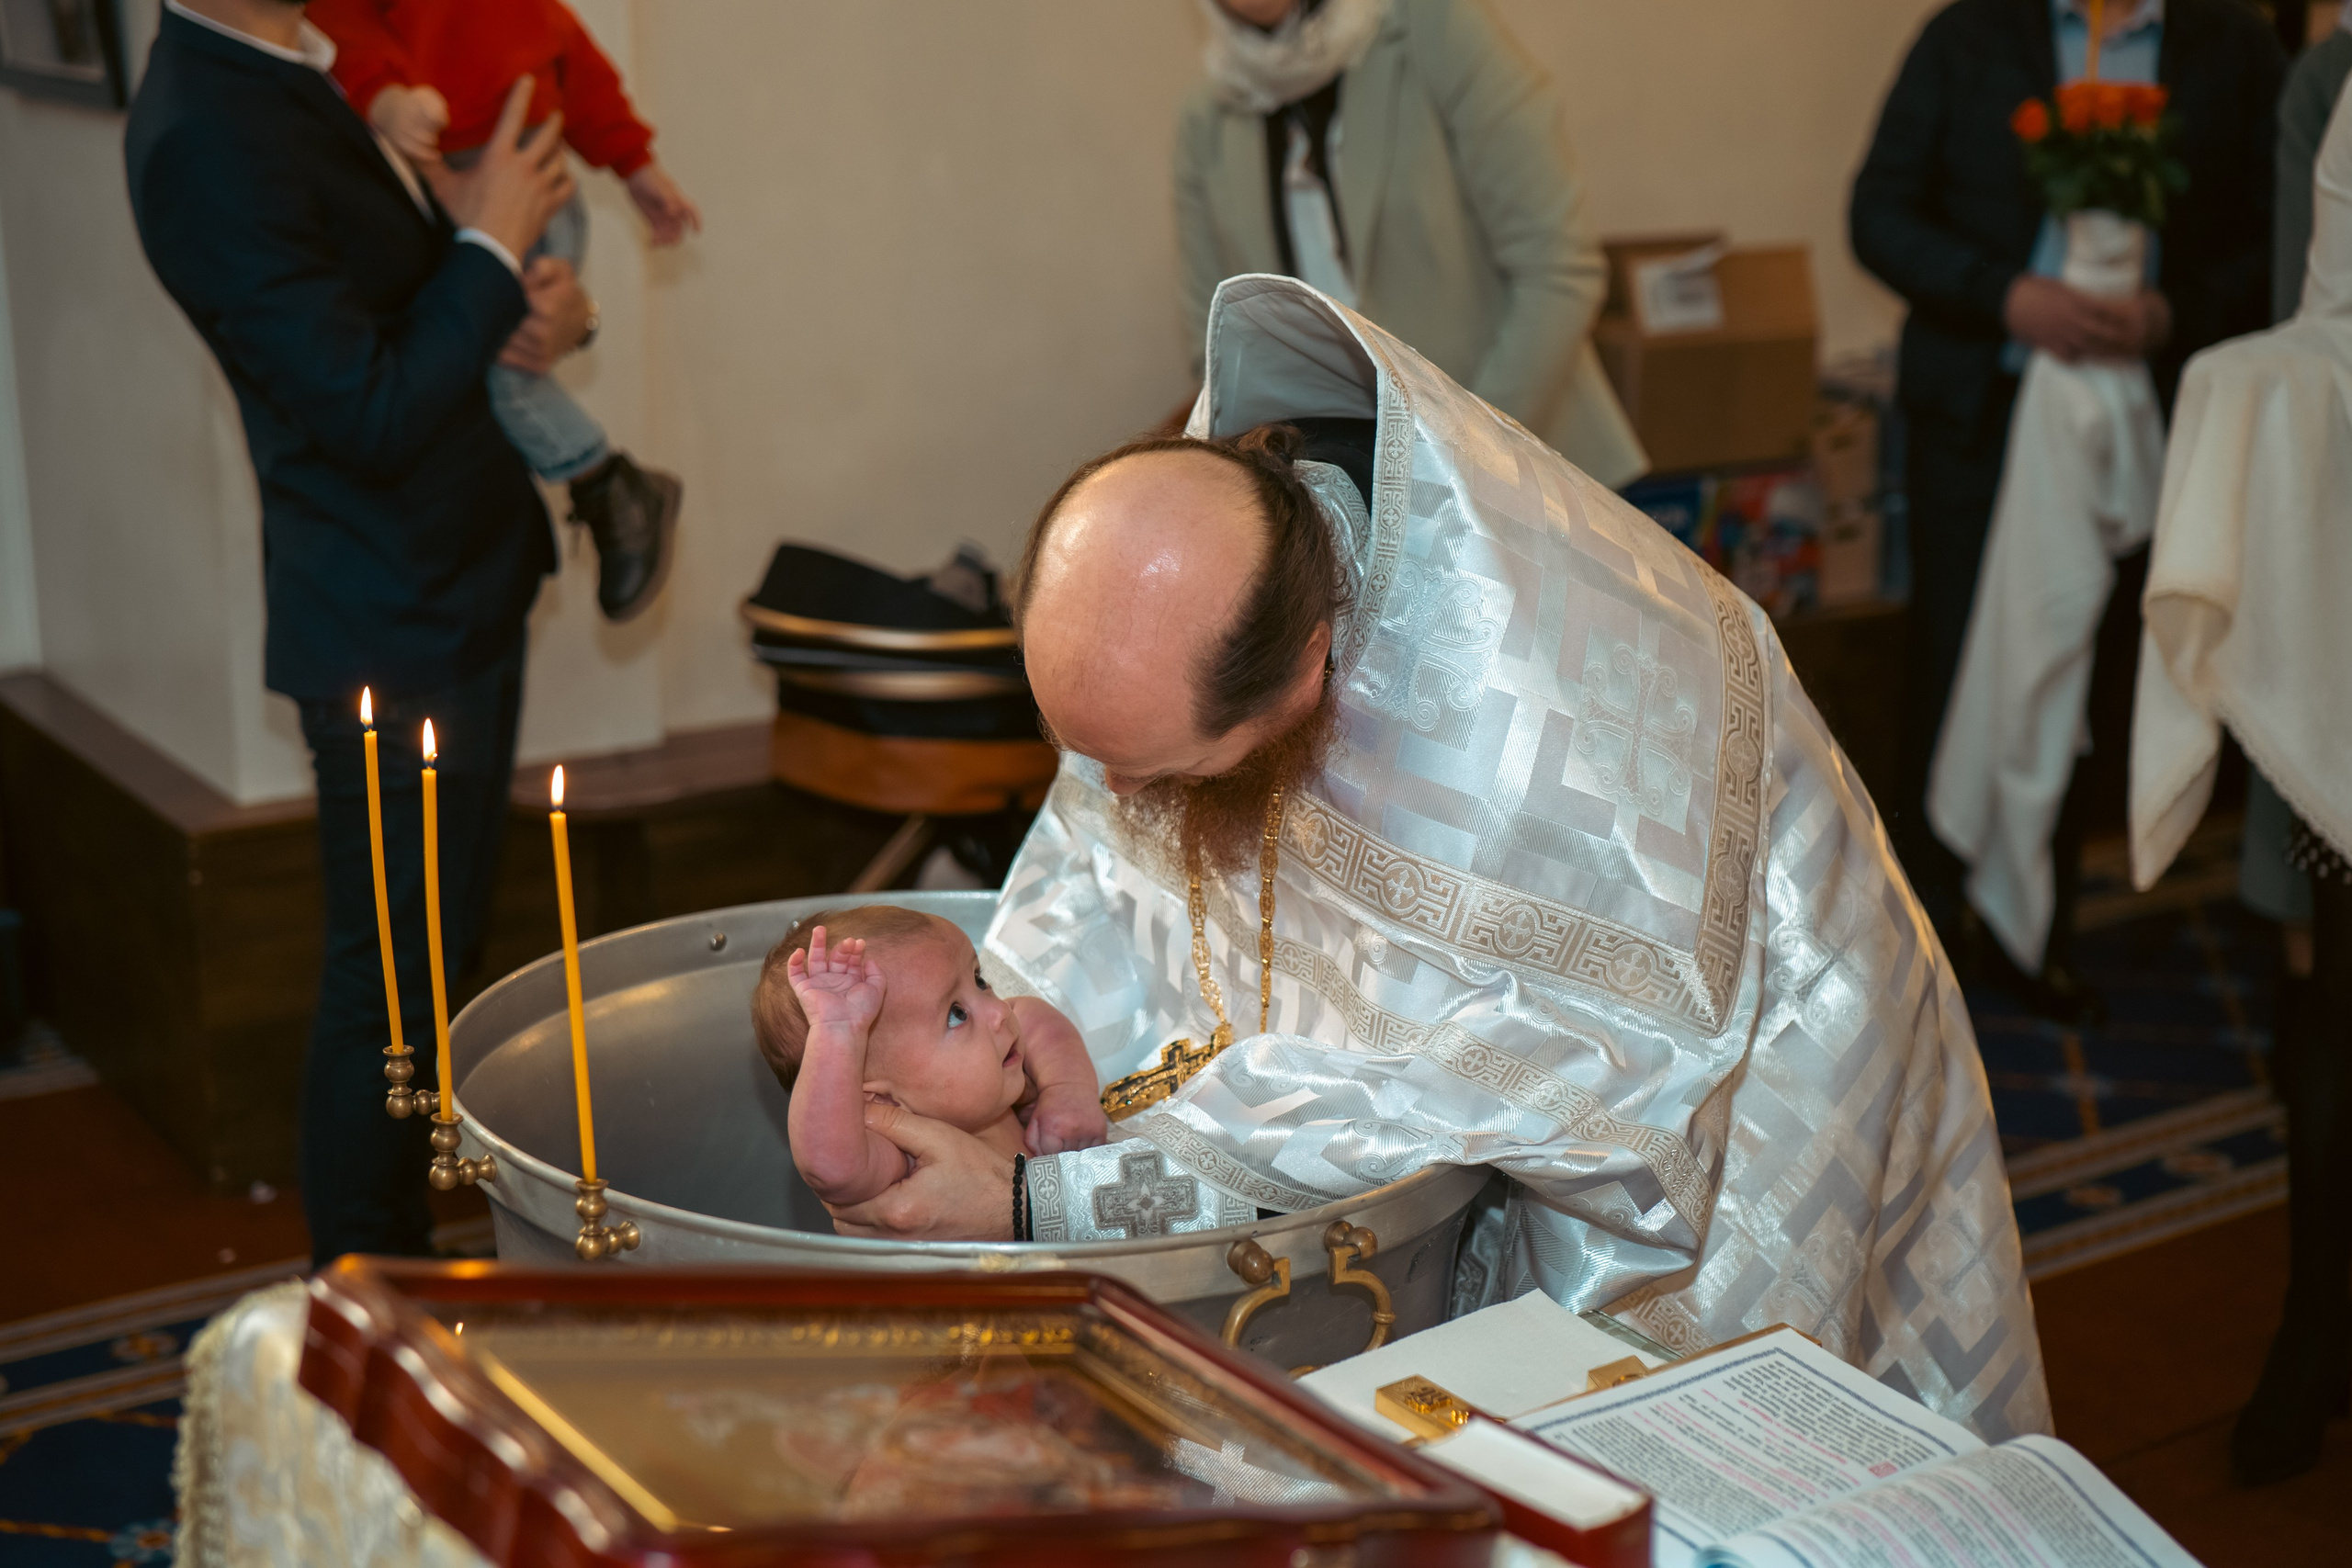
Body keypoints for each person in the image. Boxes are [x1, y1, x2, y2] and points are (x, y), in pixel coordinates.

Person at [820, 274, 2050, 1443]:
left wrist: (1052, 1201)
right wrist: (974, 1093)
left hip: (1746, 1067)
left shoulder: (1519, 745)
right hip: (1537, 1057)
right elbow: (1093, 871)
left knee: (1640, 1466)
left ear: (1309, 678)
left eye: (1156, 767)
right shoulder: (1197, 593)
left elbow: (1495, 1089)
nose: (1117, 792)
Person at [125, 0, 589, 1261]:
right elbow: (364, 409)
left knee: (432, 963)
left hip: (454, 584)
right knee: (386, 987)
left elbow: (397, 301)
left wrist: (529, 296)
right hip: (384, 620)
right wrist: (488, 248)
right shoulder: (201, 129)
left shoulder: (317, 61)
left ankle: (400, 1277)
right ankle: (365, 1301)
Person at [1849, 0, 2282, 1010]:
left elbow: (2276, 239)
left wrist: (2171, 314)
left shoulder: (2234, 46)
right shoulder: (1969, 34)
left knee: (2092, 684)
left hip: (2149, 428)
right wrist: (2005, 295)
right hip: (1981, 415)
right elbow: (1877, 214)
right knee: (1959, 668)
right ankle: (1920, 938)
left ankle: (2036, 930)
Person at [2128, 63, 2352, 1487]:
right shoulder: (2335, 77)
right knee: (2340, 1000)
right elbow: (2320, 319)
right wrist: (2252, 389)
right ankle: (2314, 1330)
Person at [308, 0, 695, 624]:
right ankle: (610, 483)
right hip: (445, 179)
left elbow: (582, 72)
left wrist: (636, 163)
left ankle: (605, 482)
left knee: (504, 368)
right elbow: (339, 33)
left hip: (532, 183)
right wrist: (386, 102)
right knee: (472, 355)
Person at [1174, 0, 1645, 488]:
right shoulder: (1204, 123)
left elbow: (1559, 270)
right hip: (1349, 499)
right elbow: (1218, 347)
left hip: (1529, 479)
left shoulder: (1435, 29)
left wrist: (1456, 463)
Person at [752, 912, 1107, 1214]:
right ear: (885, 1101)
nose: (1000, 1011)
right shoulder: (905, 1157)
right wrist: (836, 1031)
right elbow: (830, 1168)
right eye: (956, 1014)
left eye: (979, 981)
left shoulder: (995, 1087)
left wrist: (1067, 1090)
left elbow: (1032, 1014)